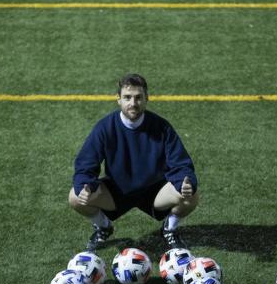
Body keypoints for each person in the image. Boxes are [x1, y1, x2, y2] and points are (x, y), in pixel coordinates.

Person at [69, 73, 199, 251]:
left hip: (154, 192)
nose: (133, 103)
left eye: (138, 98)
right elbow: (86, 164)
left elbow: (181, 163)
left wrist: (185, 181)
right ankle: (103, 226)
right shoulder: (104, 128)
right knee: (75, 197)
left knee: (191, 195)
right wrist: (85, 185)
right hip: (117, 191)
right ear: (118, 100)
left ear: (147, 99)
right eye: (127, 97)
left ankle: (170, 228)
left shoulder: (162, 127)